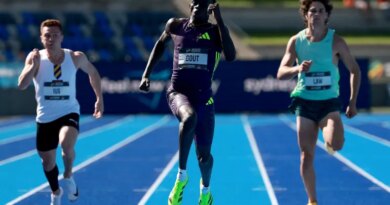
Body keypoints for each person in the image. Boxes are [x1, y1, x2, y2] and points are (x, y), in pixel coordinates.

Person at [139, 0, 235, 204]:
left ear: (210, 8)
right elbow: (159, 45)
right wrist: (146, 74)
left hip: (204, 98)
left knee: (204, 157)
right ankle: (181, 176)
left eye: (205, 1)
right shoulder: (175, 25)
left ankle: (206, 192)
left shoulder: (216, 31)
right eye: (197, 0)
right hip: (178, 92)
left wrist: (220, 20)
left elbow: (232, 56)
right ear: (191, 5)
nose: (200, 3)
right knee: (188, 118)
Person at [277, 0, 361, 205]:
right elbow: (281, 73)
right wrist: (297, 69)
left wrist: (352, 102)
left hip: (328, 103)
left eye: (320, 10)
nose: (316, 14)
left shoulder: (336, 41)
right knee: (306, 155)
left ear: (326, 16)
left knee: (336, 144)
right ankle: (312, 200)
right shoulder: (296, 41)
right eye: (312, 10)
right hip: (304, 102)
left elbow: (354, 70)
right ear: (306, 15)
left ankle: (329, 138)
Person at [18, 19, 104, 205]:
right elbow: (22, 85)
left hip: (68, 112)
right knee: (48, 162)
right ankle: (56, 192)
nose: (51, 39)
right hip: (44, 117)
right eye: (47, 35)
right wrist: (32, 67)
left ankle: (68, 174)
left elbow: (93, 73)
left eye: (55, 35)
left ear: (62, 37)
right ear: (41, 38)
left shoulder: (75, 57)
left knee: (66, 144)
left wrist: (99, 98)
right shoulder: (35, 58)